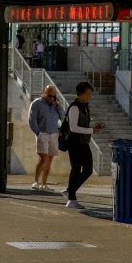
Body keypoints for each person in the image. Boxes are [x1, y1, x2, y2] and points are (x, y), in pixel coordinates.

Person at [62, 81, 103, 209]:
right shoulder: (74, 107)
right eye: (88, 93)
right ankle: (71, 198)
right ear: (81, 94)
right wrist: (91, 130)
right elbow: (73, 128)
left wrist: (93, 128)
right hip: (74, 141)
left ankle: (70, 190)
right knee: (76, 167)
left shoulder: (84, 106)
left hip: (83, 141)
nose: (90, 96)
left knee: (88, 169)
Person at [28, 85, 65, 191]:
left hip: (53, 133)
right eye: (49, 96)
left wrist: (58, 106)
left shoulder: (55, 105)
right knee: (43, 158)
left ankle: (44, 184)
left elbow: (63, 117)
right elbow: (32, 120)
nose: (51, 98)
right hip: (42, 133)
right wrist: (37, 133)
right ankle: (36, 181)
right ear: (44, 93)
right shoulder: (36, 104)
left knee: (49, 159)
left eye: (54, 96)